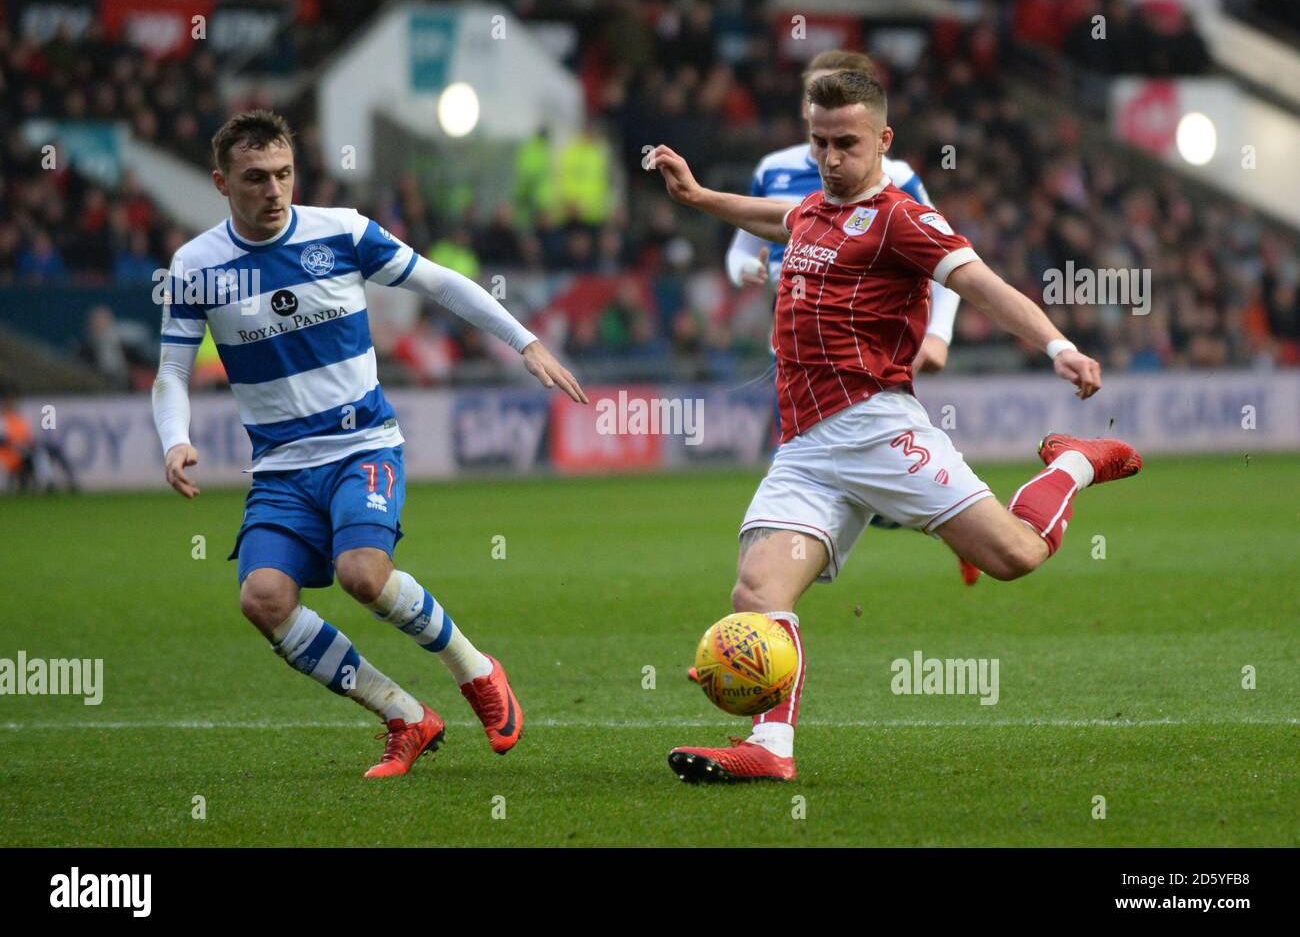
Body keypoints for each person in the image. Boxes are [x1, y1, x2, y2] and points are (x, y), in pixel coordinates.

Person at [651, 71, 1140, 783]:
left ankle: (1073, 463)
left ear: (883, 140)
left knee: (1016, 557)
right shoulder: (814, 212)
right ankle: (772, 750)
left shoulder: (901, 220)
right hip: (805, 448)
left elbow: (982, 286)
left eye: (846, 142)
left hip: (878, 430)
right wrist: (698, 199)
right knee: (756, 596)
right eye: (818, 142)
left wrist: (1059, 347)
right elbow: (773, 216)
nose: (829, 157)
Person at [152, 110, 587, 778]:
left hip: (363, 447)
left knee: (363, 575)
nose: (273, 190)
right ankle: (404, 716)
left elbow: (438, 281)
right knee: (262, 600)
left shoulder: (343, 232)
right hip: (280, 470)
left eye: (284, 174)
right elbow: (173, 372)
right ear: (220, 183)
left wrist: (523, 341)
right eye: (255, 178)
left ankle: (475, 671)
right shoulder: (196, 267)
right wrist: (175, 439)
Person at [726, 49, 981, 589]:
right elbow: (742, 245)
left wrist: (939, 333)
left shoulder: (898, 179)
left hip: (862, 348)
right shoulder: (774, 169)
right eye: (817, 97)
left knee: (856, 463)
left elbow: (948, 257)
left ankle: (964, 526)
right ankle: (786, 576)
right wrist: (746, 269)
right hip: (794, 342)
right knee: (826, 466)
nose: (831, 149)